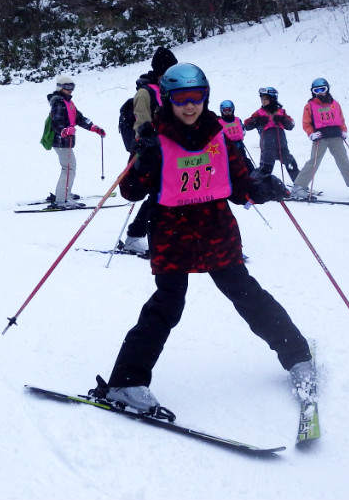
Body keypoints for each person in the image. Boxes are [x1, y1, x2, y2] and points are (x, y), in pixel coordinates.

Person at [97, 63, 316, 415]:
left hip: (216, 230)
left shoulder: (219, 134)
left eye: (196, 97)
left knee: (247, 294)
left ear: (205, 97)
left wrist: (262, 187)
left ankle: (298, 356)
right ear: (168, 99)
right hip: (171, 233)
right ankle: (125, 382)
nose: (189, 105)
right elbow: (130, 191)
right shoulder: (154, 136)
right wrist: (142, 163)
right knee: (167, 305)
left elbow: (240, 184)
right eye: (181, 98)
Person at [120, 47, 178, 254]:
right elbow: (141, 125)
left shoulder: (169, 88)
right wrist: (148, 144)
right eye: (170, 70)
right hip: (152, 153)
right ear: (162, 70)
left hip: (172, 151)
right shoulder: (146, 92)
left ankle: (172, 233)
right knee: (157, 194)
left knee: (169, 194)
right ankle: (135, 236)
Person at [290, 78, 349, 201]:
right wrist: (311, 134)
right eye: (316, 90)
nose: (320, 92)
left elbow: (341, 119)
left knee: (344, 161)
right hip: (321, 137)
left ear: (327, 89)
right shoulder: (310, 106)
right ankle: (298, 186)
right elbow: (306, 122)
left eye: (322, 89)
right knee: (314, 162)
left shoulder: (335, 104)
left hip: (335, 136)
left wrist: (344, 130)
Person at [47, 75, 106, 209]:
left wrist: (94, 128)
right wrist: (64, 131)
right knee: (68, 168)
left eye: (72, 87)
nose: (70, 90)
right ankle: (62, 199)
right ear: (60, 87)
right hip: (61, 141)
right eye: (67, 87)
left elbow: (79, 118)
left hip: (66, 141)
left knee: (69, 167)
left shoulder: (68, 102)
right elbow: (56, 123)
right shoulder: (58, 103)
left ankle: (65, 193)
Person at [242, 87, 300, 182]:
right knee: (266, 166)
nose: (263, 101)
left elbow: (291, 125)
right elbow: (247, 125)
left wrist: (282, 119)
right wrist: (257, 121)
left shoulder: (280, 112)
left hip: (282, 145)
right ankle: (256, 184)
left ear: (272, 99)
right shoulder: (260, 113)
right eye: (262, 99)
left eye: (266, 99)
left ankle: (299, 184)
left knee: (290, 163)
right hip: (267, 146)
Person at [217, 100, 256, 172]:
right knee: (230, 163)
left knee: (245, 161)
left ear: (233, 109)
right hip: (227, 146)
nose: (227, 112)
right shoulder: (220, 122)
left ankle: (253, 176)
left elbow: (243, 130)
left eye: (229, 110)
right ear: (221, 111)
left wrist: (239, 135)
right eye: (225, 110)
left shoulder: (237, 120)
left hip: (239, 144)